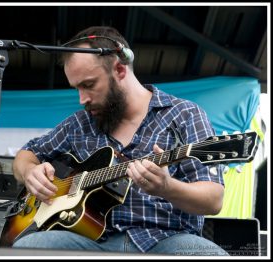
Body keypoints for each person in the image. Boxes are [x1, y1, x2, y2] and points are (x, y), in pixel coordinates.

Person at [11, 26, 229, 256]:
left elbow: (213, 200)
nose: (82, 99)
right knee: (26, 247)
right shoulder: (79, 123)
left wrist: (167, 187)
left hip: (167, 239)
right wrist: (29, 172)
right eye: (76, 88)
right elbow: (26, 154)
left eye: (89, 85)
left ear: (120, 69)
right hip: (90, 241)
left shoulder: (185, 114)